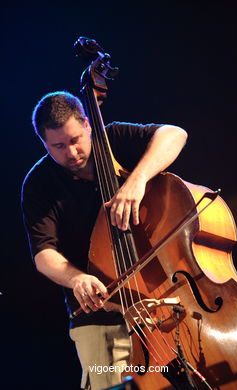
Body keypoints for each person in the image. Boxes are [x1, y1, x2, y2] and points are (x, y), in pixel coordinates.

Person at [21, 91, 188, 390]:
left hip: (161, 302)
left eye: (75, 140)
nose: (71, 152)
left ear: (87, 124)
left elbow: (174, 134)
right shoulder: (38, 184)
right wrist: (77, 279)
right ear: (44, 143)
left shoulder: (113, 140)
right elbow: (44, 254)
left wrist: (137, 179)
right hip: (99, 316)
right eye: (58, 146)